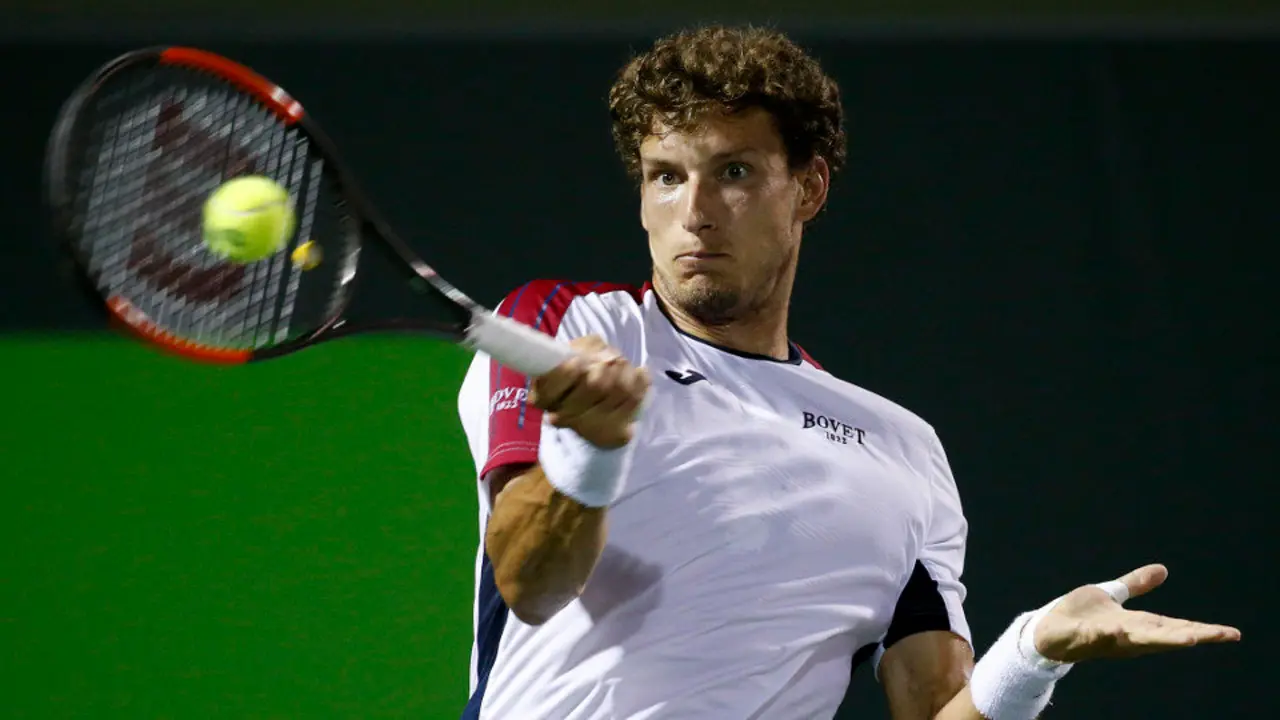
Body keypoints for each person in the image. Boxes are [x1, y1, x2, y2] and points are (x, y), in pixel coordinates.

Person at [455, 25, 1239, 720]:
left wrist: (1034, 652)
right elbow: (531, 585)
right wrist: (589, 451)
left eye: (732, 173)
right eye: (666, 175)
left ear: (809, 187)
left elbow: (934, 710)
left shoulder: (903, 450)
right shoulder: (567, 328)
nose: (693, 211)